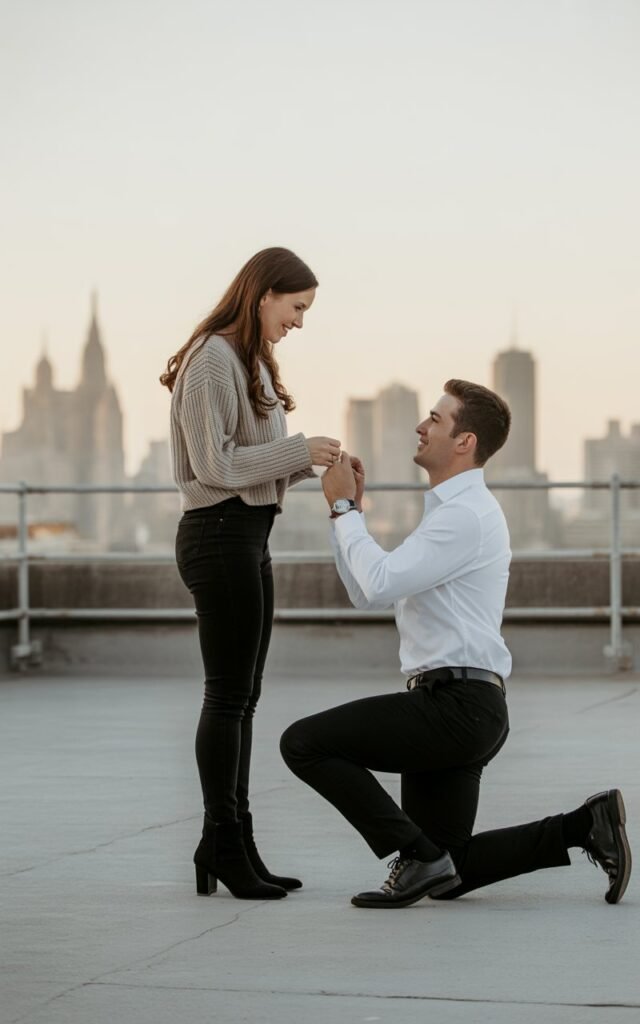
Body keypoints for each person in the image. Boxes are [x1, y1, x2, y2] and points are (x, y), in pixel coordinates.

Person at [280, 379, 631, 908]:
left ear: (464, 441)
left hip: (455, 708)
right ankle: (583, 825)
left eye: (436, 420)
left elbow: (376, 583)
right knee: (450, 871)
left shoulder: (464, 515)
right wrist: (345, 515)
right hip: (467, 707)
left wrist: (347, 511)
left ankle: (415, 853)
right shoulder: (452, 513)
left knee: (303, 743)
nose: (421, 427)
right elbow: (367, 589)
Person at [161, 247, 341, 901]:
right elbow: (216, 466)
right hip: (218, 534)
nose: (299, 321)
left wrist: (313, 463)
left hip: (247, 534)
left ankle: (233, 841)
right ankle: (225, 842)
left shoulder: (246, 359)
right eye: (296, 307)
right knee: (228, 697)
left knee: (243, 698)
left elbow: (250, 461)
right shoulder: (212, 358)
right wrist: (299, 448)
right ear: (264, 294)